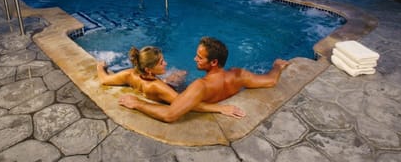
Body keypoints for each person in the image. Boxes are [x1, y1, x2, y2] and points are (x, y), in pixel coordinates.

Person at [118, 37, 291, 123]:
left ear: (214, 62)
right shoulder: (239, 75)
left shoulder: (200, 86)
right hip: (209, 95)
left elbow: (170, 115)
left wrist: (138, 104)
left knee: (171, 80)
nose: (195, 59)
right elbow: (270, 81)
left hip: (189, 96)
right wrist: (277, 66)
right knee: (180, 74)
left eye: (200, 57)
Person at [97, 45, 245, 118]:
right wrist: (219, 108)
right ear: (149, 69)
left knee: (178, 74)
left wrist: (100, 67)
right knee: (183, 75)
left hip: (153, 85)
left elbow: (104, 80)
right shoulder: (159, 87)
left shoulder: (130, 74)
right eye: (161, 62)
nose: (165, 63)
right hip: (169, 92)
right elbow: (189, 105)